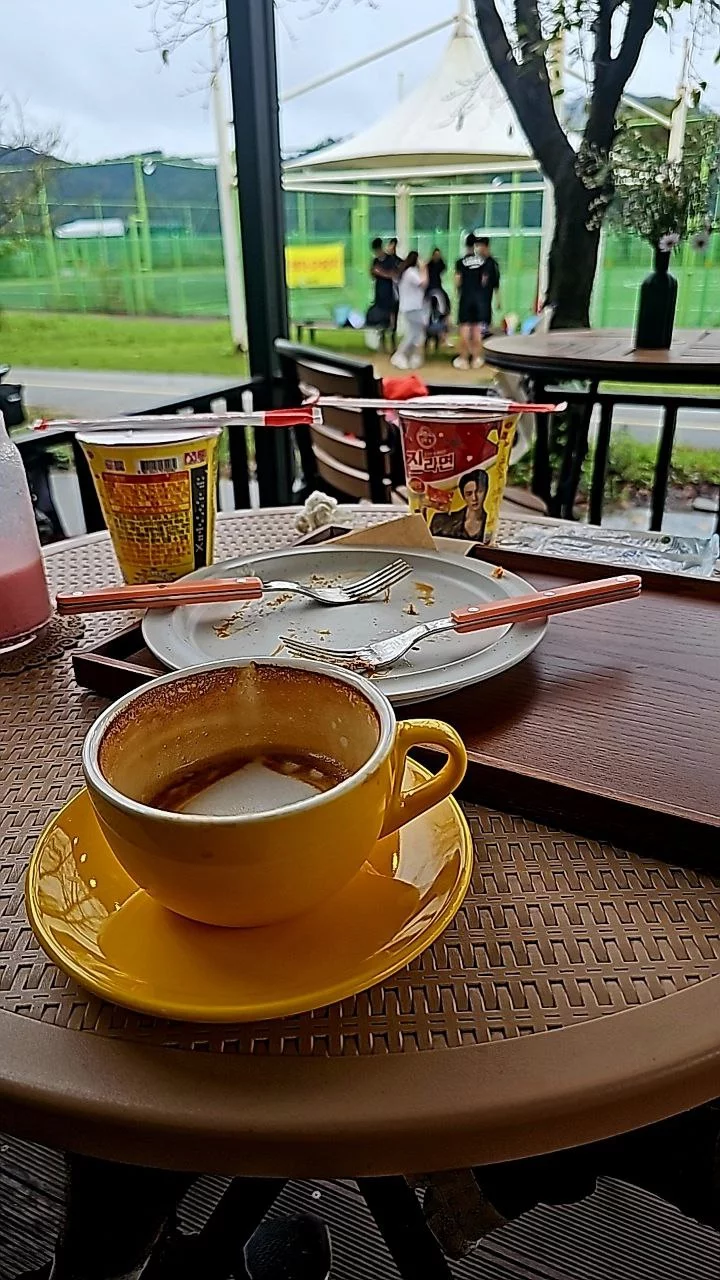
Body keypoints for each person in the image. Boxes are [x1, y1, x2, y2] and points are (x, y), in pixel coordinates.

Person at [453, 234, 501, 371]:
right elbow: (485, 280)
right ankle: (476, 359)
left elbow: (458, 281)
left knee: (464, 329)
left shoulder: (460, 262)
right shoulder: (483, 261)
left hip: (466, 298)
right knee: (477, 330)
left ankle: (463, 359)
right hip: (479, 299)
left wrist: (459, 292)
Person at [391, 250, 428, 370]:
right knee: (413, 334)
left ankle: (411, 357)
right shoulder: (411, 272)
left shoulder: (405, 272)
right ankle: (399, 355)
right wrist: (424, 269)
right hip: (412, 307)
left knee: (416, 334)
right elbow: (423, 283)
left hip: (409, 307)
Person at [430, 468, 489, 540]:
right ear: (463, 496)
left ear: (486, 491)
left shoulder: (491, 522)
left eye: (479, 491)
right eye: (469, 494)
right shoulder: (441, 521)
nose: (474, 498)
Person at [366, 237, 397, 352]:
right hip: (379, 293)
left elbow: (393, 274)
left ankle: (393, 344)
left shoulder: (390, 259)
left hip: (390, 293)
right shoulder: (376, 261)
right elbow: (372, 274)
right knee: (381, 320)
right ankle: (382, 344)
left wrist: (381, 272)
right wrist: (373, 271)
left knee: (392, 319)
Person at [425, 247, 450, 352]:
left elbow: (444, 267)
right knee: (429, 318)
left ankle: (437, 340)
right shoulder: (429, 265)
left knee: (441, 315)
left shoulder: (439, 265)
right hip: (430, 292)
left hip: (437, 292)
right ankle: (428, 341)